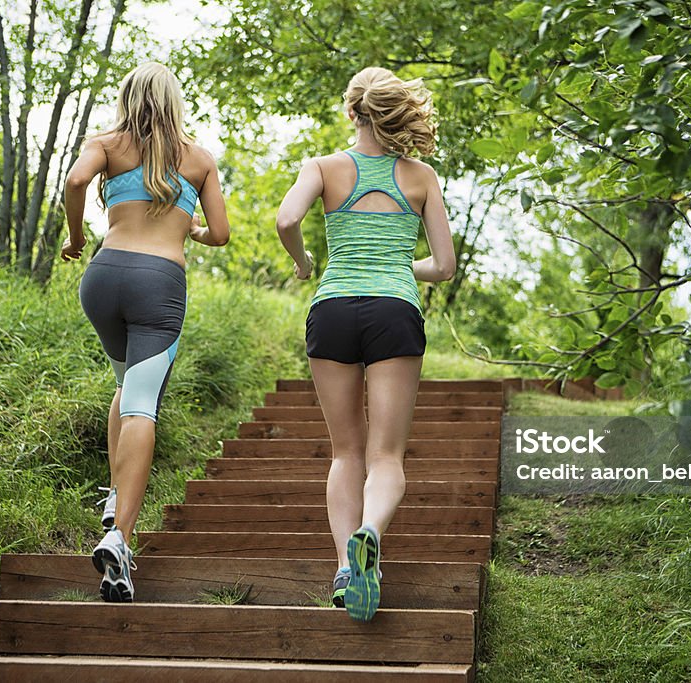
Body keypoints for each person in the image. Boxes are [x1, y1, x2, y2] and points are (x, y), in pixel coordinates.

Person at [275, 66, 456, 621]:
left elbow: (286, 218)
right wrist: (402, 265)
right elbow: (445, 266)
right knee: (385, 455)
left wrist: (305, 261)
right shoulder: (420, 176)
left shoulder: (324, 167)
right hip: (394, 311)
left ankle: (343, 567)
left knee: (345, 452)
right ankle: (371, 532)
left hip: (331, 310)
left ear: (351, 112)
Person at [61, 61, 230, 602]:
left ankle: (113, 498)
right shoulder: (199, 159)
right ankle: (120, 538)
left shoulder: (107, 143)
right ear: (175, 100)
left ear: (128, 95)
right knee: (142, 404)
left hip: (103, 277)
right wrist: (188, 227)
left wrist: (74, 237)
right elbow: (222, 234)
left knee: (125, 385)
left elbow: (74, 181)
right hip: (158, 282)